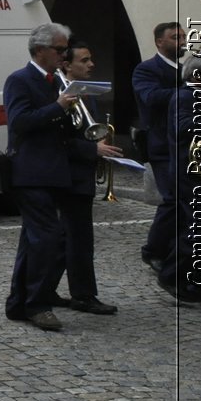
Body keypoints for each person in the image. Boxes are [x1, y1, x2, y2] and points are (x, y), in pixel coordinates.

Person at [2, 23, 82, 331]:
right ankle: (37, 304)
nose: (65, 55)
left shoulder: (57, 81)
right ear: (40, 50)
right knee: (47, 238)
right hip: (30, 171)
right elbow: (19, 122)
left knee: (33, 241)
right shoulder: (20, 80)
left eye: (65, 50)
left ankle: (18, 303)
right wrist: (59, 106)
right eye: (60, 50)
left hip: (53, 171)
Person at [52, 41, 122, 314]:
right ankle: (83, 295)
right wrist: (93, 149)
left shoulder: (87, 93)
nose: (91, 64)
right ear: (67, 65)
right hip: (68, 175)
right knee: (79, 239)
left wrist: (101, 146)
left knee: (65, 238)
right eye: (85, 60)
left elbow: (90, 130)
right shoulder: (61, 93)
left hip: (82, 173)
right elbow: (59, 140)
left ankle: (44, 289)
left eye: (91, 59)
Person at [133, 21, 184, 273]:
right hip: (163, 145)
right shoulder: (146, 70)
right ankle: (152, 250)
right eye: (175, 37)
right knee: (172, 199)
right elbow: (151, 98)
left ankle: (177, 250)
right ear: (159, 43)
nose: (182, 41)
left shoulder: (186, 70)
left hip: (186, 145)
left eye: (183, 37)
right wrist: (189, 89)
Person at [163, 55, 201, 301]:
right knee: (197, 230)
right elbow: (183, 127)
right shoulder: (183, 97)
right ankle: (172, 275)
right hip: (189, 175)